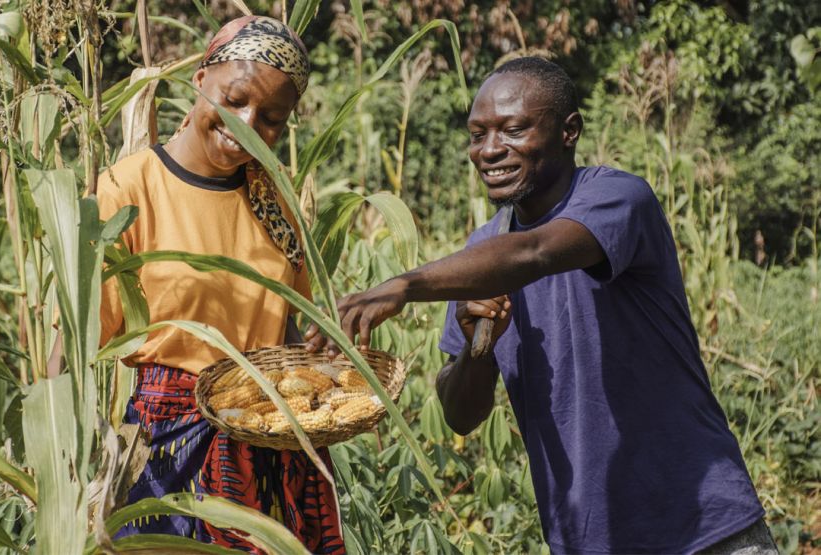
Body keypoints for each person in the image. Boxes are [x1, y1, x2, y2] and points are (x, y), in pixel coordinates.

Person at [306, 57, 775, 554]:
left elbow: (536, 252)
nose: (489, 151)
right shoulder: (482, 252)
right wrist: (477, 351)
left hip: (703, 527)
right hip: (589, 539)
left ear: (569, 130)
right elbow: (461, 416)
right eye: (477, 134)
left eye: (512, 130)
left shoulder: (618, 198)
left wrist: (403, 285)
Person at [96, 16, 344, 553]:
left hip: (268, 444)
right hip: (164, 450)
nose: (249, 124)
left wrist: (328, 378)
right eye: (235, 100)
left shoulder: (275, 203)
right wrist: (60, 457)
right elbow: (73, 341)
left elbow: (288, 329)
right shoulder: (128, 187)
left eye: (272, 118)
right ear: (201, 78)